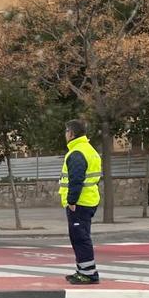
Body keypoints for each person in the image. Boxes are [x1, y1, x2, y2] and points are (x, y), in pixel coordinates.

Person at [59, 119, 103, 284]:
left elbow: (76, 179)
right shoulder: (89, 150)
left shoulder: (77, 152)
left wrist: (71, 200)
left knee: (80, 237)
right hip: (88, 200)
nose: (65, 135)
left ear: (71, 133)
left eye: (66, 132)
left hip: (79, 203)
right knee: (81, 236)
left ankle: (89, 274)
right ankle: (83, 270)